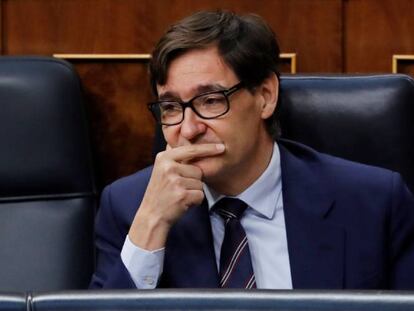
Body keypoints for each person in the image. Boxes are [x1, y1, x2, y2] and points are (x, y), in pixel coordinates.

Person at [89, 10, 414, 289]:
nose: (188, 129)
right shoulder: (129, 208)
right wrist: (152, 224)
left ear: (265, 96)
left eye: (211, 100)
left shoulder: (372, 203)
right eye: (171, 107)